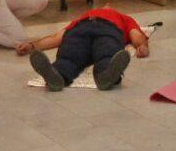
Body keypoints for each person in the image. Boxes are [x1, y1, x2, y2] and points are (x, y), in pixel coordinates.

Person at [19, 6, 150, 91]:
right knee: (70, 54)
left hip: (108, 29)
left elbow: (136, 34)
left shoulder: (124, 18)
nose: (106, 5)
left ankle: (107, 75)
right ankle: (56, 75)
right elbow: (57, 37)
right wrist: (32, 46)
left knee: (107, 51)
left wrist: (142, 46)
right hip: (80, 29)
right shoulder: (82, 17)